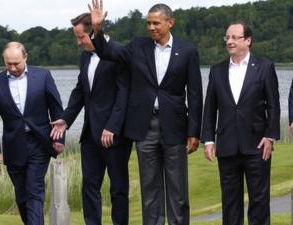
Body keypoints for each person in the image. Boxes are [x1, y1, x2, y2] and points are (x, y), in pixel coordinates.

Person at [88, 1, 203, 225]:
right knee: (149, 189)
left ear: (170, 23)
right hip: (144, 127)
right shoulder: (137, 46)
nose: (151, 27)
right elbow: (108, 52)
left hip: (175, 126)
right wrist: (98, 30)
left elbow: (196, 94)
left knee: (178, 190)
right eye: (148, 23)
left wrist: (194, 132)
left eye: (156, 23)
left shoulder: (188, 51)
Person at [50, 13, 132, 225]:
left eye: (81, 37)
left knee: (118, 189)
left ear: (94, 32)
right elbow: (80, 91)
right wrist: (66, 119)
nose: (78, 43)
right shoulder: (85, 57)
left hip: (115, 136)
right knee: (89, 186)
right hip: (90, 135)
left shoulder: (119, 53)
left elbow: (124, 94)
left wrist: (112, 127)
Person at [201, 21, 280, 225]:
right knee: (230, 202)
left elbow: (273, 105)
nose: (229, 41)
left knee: (259, 201)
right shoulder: (217, 70)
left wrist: (270, 136)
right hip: (226, 146)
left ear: (248, 40)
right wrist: (208, 140)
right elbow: (210, 107)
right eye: (227, 37)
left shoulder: (265, 67)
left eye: (235, 37)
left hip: (257, 145)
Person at [0, 41, 64, 225]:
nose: (13, 67)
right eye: (8, 63)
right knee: (22, 196)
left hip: (40, 143)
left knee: (34, 191)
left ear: (25, 57)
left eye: (17, 63)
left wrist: (59, 138)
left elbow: (57, 111)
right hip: (13, 146)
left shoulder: (43, 76)